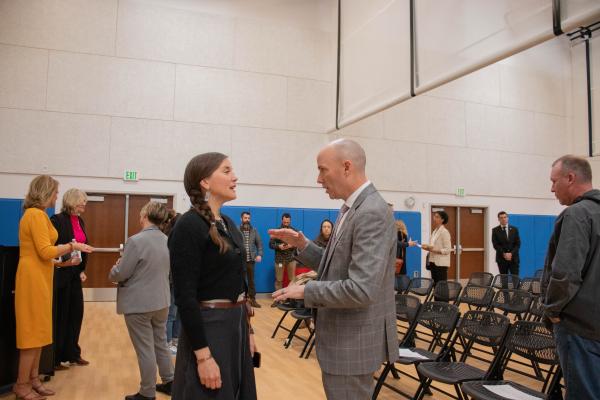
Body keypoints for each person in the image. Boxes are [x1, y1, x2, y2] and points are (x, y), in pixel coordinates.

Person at [269, 139, 397, 400]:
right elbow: (336, 264)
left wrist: (305, 291)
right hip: (343, 338)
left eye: (322, 169)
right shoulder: (349, 208)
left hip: (354, 342)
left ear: (346, 167)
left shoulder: (371, 211)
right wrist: (303, 245)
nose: (318, 179)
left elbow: (361, 289)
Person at [168, 152, 257, 400]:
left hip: (235, 326)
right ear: (205, 182)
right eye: (226, 171)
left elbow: (239, 284)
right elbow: (185, 298)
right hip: (209, 329)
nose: (235, 177)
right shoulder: (189, 226)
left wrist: (248, 332)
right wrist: (203, 356)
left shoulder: (228, 223)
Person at [14, 175, 93, 400]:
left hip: (41, 274)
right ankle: (22, 384)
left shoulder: (40, 215)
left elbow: (46, 256)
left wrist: (65, 262)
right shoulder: (35, 215)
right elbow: (45, 250)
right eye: (55, 192)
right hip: (32, 278)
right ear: (46, 192)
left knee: (39, 331)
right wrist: (72, 245)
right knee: (31, 334)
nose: (57, 196)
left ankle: (34, 379)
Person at [541, 155, 600, 399]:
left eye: (554, 181)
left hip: (579, 327)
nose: (552, 188)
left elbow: (565, 273)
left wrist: (552, 310)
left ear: (571, 178)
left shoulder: (576, 214)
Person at [109, 201, 175, 400]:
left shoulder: (135, 241)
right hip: (162, 301)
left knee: (145, 349)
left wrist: (114, 268)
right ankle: (170, 381)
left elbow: (121, 273)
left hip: (139, 304)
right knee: (160, 343)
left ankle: (147, 393)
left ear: (145, 216)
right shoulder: (167, 240)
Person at [50, 188, 91, 370]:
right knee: (62, 315)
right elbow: (55, 248)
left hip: (75, 274)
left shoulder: (79, 221)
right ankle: (56, 357)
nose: (84, 203)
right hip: (61, 274)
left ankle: (73, 353)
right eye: (82, 200)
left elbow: (81, 246)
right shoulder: (57, 220)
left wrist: (82, 269)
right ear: (72, 200)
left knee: (76, 314)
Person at [160, 210, 181, 355]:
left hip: (180, 281)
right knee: (171, 314)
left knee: (178, 313)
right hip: (172, 280)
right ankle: (168, 342)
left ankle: (175, 340)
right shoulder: (168, 239)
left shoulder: (178, 237)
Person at [420, 210, 451, 285]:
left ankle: (442, 297)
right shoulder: (434, 231)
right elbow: (432, 246)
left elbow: (447, 250)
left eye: (437, 217)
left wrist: (433, 250)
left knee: (441, 286)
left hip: (441, 263)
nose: (434, 218)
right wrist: (426, 247)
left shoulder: (444, 232)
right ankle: (436, 297)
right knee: (435, 285)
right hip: (433, 262)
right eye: (434, 216)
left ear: (442, 220)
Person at [269, 213, 297, 295]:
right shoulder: (276, 231)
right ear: (282, 220)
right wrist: (278, 246)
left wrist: (292, 245)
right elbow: (270, 245)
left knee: (292, 279)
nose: (286, 224)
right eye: (285, 222)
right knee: (279, 280)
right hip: (279, 260)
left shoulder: (294, 231)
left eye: (288, 222)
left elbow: (298, 244)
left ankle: (291, 298)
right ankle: (278, 299)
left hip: (291, 259)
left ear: (290, 221)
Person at [239, 211, 263, 308]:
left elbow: (259, 244)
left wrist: (260, 254)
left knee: (251, 281)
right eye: (245, 218)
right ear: (241, 219)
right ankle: (241, 300)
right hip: (240, 260)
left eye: (249, 218)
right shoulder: (236, 230)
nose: (247, 220)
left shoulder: (254, 230)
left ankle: (252, 299)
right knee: (241, 280)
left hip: (251, 261)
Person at [491, 211, 521, 276]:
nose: (503, 219)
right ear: (498, 219)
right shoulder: (495, 230)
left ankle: (516, 287)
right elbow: (495, 245)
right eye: (501, 218)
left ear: (508, 218)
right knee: (504, 279)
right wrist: (504, 254)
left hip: (514, 258)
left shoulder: (514, 229)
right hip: (501, 259)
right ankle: (504, 287)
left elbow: (518, 244)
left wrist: (511, 253)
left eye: (505, 217)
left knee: (515, 279)